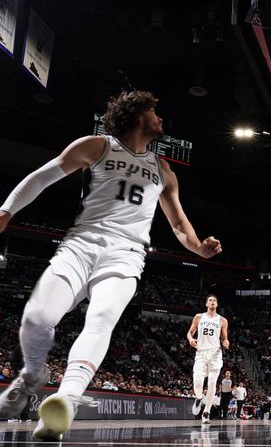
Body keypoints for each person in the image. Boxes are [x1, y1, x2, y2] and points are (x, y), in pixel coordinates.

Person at [0, 90, 222, 441]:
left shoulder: (163, 170)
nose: (161, 118)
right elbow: (42, 177)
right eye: (154, 111)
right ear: (136, 115)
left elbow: (179, 225)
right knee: (36, 317)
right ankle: (30, 377)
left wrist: (200, 249)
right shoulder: (97, 146)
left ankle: (67, 400)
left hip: (127, 254)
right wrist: (6, 211)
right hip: (81, 244)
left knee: (101, 318)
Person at [186, 294, 230, 424]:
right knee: (198, 383)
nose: (212, 302)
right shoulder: (199, 317)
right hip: (201, 352)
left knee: (212, 383)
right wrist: (190, 339)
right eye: (210, 300)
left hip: (215, 354)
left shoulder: (222, 320)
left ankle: (207, 412)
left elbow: (224, 337)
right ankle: (199, 398)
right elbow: (190, 333)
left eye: (214, 300)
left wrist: (226, 342)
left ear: (217, 304)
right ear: (206, 304)